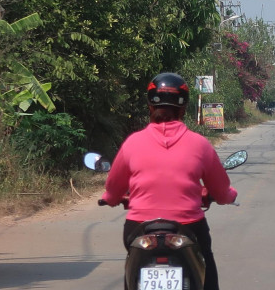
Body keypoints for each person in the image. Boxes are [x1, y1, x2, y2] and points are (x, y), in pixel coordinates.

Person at [101, 73, 238, 290]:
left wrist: (109, 199)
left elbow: (112, 190)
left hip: (139, 228)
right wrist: (229, 195)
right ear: (183, 108)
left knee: (131, 270)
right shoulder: (200, 144)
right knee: (206, 265)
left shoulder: (132, 143)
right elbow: (222, 192)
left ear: (150, 105)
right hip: (189, 227)